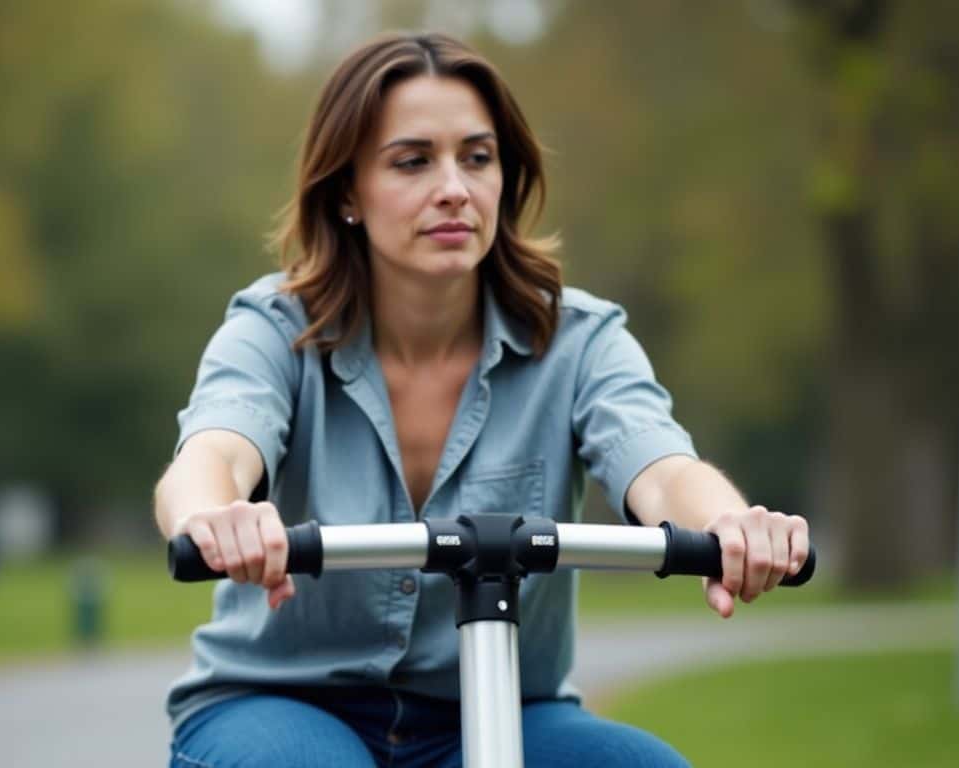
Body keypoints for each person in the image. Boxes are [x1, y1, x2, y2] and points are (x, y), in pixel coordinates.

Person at [154, 32, 809, 768]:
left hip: (503, 711)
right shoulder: (274, 330)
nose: (454, 189)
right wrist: (217, 517)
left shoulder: (581, 340)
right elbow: (215, 448)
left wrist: (728, 524)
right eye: (412, 161)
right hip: (285, 703)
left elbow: (660, 466)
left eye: (477, 157)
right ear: (346, 193)